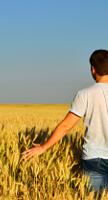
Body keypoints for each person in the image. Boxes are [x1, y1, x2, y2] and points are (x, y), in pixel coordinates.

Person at [21, 49, 108, 197]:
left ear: (93, 69)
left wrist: (43, 147)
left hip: (94, 158)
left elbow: (66, 126)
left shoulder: (85, 94)